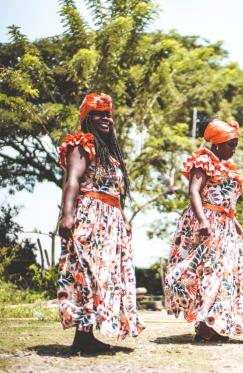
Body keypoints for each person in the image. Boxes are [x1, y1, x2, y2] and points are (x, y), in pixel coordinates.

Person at [165, 117, 243, 342]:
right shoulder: (204, 161)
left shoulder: (228, 169)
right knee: (209, 272)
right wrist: (203, 221)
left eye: (236, 144)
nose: (234, 148)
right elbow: (194, 192)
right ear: (218, 143)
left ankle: (214, 323)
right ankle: (204, 326)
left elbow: (228, 207)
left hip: (227, 227)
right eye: (231, 144)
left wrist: (240, 229)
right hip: (207, 224)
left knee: (225, 275)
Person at [57, 93, 144, 353]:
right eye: (99, 114)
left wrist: (124, 219)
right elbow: (73, 180)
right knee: (87, 274)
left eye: (108, 114)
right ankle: (81, 338)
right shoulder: (81, 144)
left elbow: (113, 192)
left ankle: (88, 336)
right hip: (90, 218)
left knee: (106, 276)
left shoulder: (110, 154)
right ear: (87, 118)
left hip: (111, 221)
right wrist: (67, 214)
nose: (105, 118)